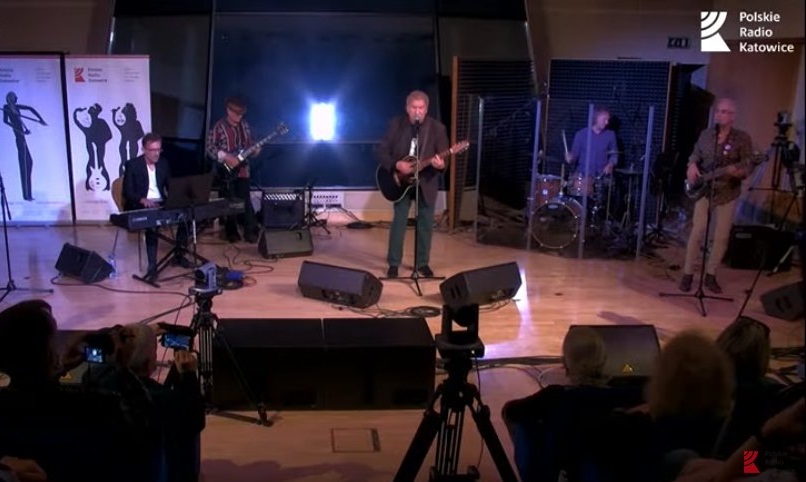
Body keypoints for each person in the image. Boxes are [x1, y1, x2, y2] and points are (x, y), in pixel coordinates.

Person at [679, 98, 753, 293]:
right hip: (705, 189)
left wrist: (739, 172)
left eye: (725, 112)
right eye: (718, 111)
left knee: (721, 235)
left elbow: (748, 165)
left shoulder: (742, 138)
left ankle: (711, 274)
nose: (720, 115)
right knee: (697, 230)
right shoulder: (706, 134)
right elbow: (695, 154)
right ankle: (688, 273)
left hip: (728, 192)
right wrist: (692, 165)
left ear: (733, 116)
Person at [377, 90, 448, 278]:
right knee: (399, 221)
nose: (417, 111)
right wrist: (396, 164)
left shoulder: (437, 129)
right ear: (407, 108)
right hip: (401, 182)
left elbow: (444, 159)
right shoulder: (396, 125)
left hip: (426, 181)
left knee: (425, 223)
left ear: (426, 109)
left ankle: (422, 263)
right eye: (414, 107)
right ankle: (394, 264)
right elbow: (381, 151)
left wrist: (440, 165)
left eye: (421, 108)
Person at [123, 133, 190, 282]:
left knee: (186, 215)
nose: (156, 153)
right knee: (152, 224)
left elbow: (170, 186)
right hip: (140, 204)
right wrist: (142, 199)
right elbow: (127, 192)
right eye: (153, 150)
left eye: (159, 149)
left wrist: (178, 197)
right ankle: (152, 267)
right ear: (144, 149)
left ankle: (179, 254)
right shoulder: (133, 165)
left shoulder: (163, 164)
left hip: (160, 202)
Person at [205, 96, 259, 243]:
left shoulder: (245, 126)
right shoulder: (219, 127)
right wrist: (225, 156)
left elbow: (250, 144)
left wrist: (255, 150)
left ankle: (250, 232)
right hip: (226, 172)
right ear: (228, 111)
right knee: (230, 202)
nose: (239, 117)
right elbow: (210, 148)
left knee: (245, 200)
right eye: (236, 113)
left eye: (241, 114)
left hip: (243, 171)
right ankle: (231, 232)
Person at [2, 91, 47, 202]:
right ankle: (26, 195)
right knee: (24, 164)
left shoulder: (16, 107)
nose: (16, 98)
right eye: (14, 97)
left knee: (29, 162)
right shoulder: (6, 108)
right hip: (19, 138)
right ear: (10, 98)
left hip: (22, 137)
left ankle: (28, 194)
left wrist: (40, 119)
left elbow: (30, 109)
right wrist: (21, 132)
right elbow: (5, 122)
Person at [565, 106, 618, 178]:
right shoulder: (581, 134)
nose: (607, 122)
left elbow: (614, 155)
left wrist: (610, 164)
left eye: (608, 120)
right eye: (604, 119)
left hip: (601, 176)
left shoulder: (610, 135)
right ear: (596, 118)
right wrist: (570, 157)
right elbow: (574, 154)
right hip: (583, 175)